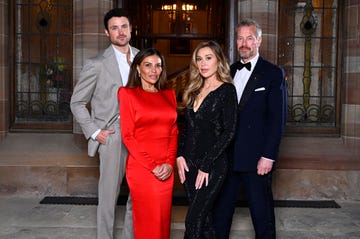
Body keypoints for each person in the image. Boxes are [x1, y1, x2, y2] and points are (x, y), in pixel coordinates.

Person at [213, 19, 287, 239]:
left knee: (261, 215)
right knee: (221, 214)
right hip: (227, 157)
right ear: (236, 42)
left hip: (257, 159)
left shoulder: (273, 73)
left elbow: (278, 119)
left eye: (249, 38)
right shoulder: (229, 71)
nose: (244, 43)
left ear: (259, 41)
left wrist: (268, 156)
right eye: (240, 38)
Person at [70, 8, 139, 239]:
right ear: (106, 32)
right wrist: (95, 132)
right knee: (108, 198)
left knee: (137, 196)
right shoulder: (97, 63)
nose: (120, 32)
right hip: (113, 135)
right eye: (115, 28)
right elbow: (77, 102)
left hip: (140, 136)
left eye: (124, 26)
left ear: (131, 29)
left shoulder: (143, 58)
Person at [176, 40, 238, 239]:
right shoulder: (193, 89)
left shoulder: (227, 90)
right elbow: (186, 128)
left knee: (193, 219)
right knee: (205, 220)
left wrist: (206, 165)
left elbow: (229, 131)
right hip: (189, 164)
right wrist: (179, 156)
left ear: (218, 60)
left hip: (212, 165)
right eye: (199, 59)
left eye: (208, 58)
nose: (203, 63)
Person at [118, 48, 179, 239]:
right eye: (148, 65)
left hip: (166, 168)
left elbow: (174, 131)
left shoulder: (169, 94)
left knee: (162, 221)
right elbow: (128, 136)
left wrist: (169, 164)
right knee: (148, 223)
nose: (154, 70)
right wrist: (153, 167)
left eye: (158, 65)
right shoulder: (127, 94)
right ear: (138, 68)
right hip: (142, 169)